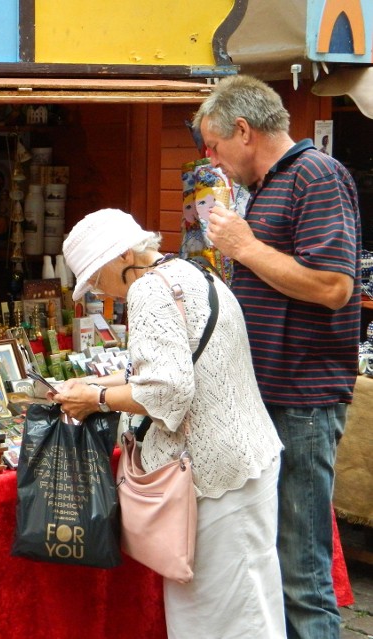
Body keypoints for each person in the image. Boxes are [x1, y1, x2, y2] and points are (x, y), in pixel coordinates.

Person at [53, 208, 285, 638]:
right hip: (244, 459)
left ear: (122, 256)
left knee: (222, 618)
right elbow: (185, 368)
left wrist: (97, 398)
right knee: (252, 602)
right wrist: (99, 381)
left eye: (95, 277)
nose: (99, 291)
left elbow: (167, 392)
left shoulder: (148, 292)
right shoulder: (195, 272)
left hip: (212, 473)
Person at [193, 75, 361, 639]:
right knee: (276, 563)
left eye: (213, 145)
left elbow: (335, 287)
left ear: (244, 130)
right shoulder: (270, 184)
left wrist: (245, 247)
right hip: (272, 399)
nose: (210, 158)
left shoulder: (317, 174)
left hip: (302, 400)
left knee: (301, 572)